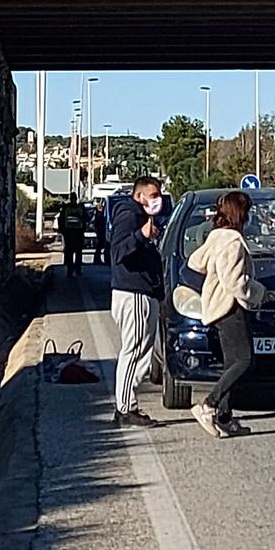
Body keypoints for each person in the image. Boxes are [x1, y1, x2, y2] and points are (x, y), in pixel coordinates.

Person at [185, 190, 264, 439]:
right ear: (241, 214)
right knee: (244, 360)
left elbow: (195, 261)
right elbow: (235, 282)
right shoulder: (232, 242)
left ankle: (225, 417)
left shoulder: (216, 237)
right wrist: (261, 293)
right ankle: (209, 404)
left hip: (215, 306)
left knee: (232, 362)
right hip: (229, 306)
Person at [107, 175, 167, 429]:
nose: (157, 200)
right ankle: (125, 408)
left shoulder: (141, 217)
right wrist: (142, 236)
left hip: (141, 292)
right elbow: (118, 251)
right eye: (153, 195)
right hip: (134, 294)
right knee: (134, 351)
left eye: (159, 195)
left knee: (140, 350)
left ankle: (127, 405)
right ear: (139, 195)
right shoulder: (130, 217)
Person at [56, 199, 86, 279]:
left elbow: (61, 219)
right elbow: (86, 218)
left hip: (72, 233)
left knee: (72, 252)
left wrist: (62, 230)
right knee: (75, 252)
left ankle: (73, 270)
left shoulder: (67, 208)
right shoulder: (79, 207)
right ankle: (75, 270)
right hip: (74, 233)